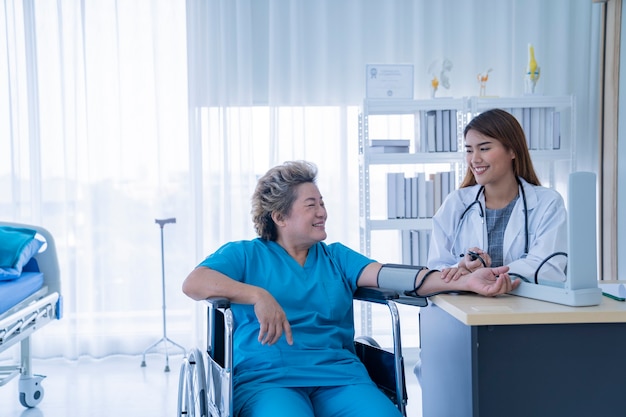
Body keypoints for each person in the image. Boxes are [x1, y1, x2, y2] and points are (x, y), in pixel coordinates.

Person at [182, 160, 519, 417]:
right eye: (310, 205)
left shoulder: (336, 257)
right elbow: (194, 282)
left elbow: (390, 276)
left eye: (322, 202)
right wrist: (257, 294)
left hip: (339, 376)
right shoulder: (245, 254)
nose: (322, 212)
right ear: (279, 217)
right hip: (269, 378)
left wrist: (463, 279)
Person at [427, 108, 568, 285]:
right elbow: (436, 269)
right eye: (469, 150)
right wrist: (461, 267)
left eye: (484, 148)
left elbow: (549, 269)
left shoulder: (547, 203)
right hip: (465, 308)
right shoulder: (456, 204)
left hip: (524, 308)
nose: (474, 159)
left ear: (513, 151)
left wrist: (487, 275)